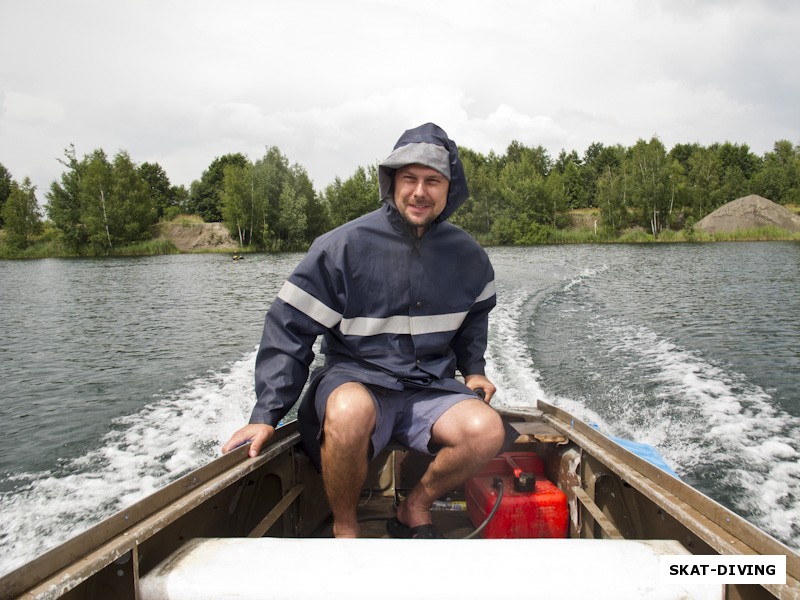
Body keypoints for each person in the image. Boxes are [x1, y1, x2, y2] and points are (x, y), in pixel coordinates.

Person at [222, 122, 514, 538]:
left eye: (433, 181)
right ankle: (345, 528)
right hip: (357, 379)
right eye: (409, 178)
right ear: (391, 182)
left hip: (429, 386)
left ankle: (416, 505)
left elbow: (473, 321)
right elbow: (289, 329)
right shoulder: (340, 248)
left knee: (487, 430)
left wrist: (474, 369)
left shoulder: (469, 256)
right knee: (348, 410)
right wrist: (266, 414)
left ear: (451, 189)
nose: (419, 191)